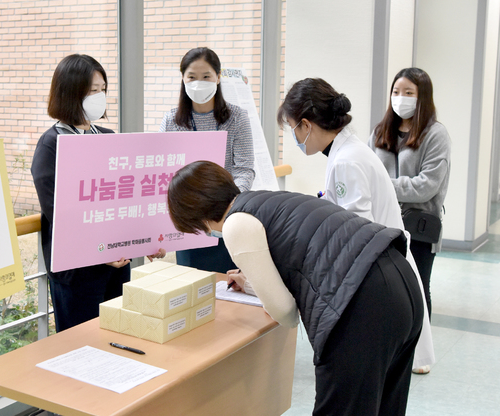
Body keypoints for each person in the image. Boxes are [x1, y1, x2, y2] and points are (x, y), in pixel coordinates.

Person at [168, 161, 423, 416]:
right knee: (388, 407)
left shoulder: (236, 224)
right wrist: (254, 284)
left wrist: (263, 290)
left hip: (361, 302)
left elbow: (286, 313)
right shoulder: (266, 199)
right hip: (401, 279)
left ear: (196, 215)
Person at [274, 77, 435, 372]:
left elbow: (356, 231)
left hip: (380, 274)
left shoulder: (347, 160)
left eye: (294, 128)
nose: (295, 137)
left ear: (307, 125)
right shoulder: (346, 152)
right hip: (387, 267)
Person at [31, 54, 164, 332]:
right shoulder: (51, 145)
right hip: (77, 270)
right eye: (92, 90)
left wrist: (146, 239)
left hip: (116, 263)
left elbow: (128, 198)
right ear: (70, 92)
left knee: (117, 338)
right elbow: (59, 212)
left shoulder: (107, 136)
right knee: (81, 345)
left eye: (102, 89)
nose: (99, 96)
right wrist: (97, 250)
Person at [159, 47, 255, 274]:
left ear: (218, 77)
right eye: (192, 77)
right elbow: (165, 174)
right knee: (192, 293)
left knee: (227, 290)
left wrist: (223, 206)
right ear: (182, 78)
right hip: (190, 224)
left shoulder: (237, 118)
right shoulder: (172, 121)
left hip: (226, 220)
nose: (198, 83)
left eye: (206, 77)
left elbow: (245, 170)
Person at [369, 68, 451, 331]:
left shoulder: (435, 134)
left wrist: (383, 185)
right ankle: (393, 345)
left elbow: (426, 186)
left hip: (420, 225)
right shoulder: (380, 131)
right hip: (383, 224)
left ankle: (420, 349)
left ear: (422, 97)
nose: (400, 97)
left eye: (408, 93)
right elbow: (367, 171)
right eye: (396, 92)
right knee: (385, 287)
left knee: (417, 286)